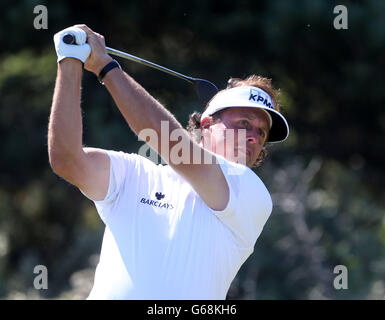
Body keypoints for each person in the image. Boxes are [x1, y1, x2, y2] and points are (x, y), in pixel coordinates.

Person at [48, 25, 289, 300]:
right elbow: (67, 160)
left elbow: (171, 145)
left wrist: (106, 67)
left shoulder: (250, 192)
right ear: (207, 124)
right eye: (244, 123)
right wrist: (69, 61)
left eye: (261, 132)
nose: (253, 138)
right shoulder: (135, 173)